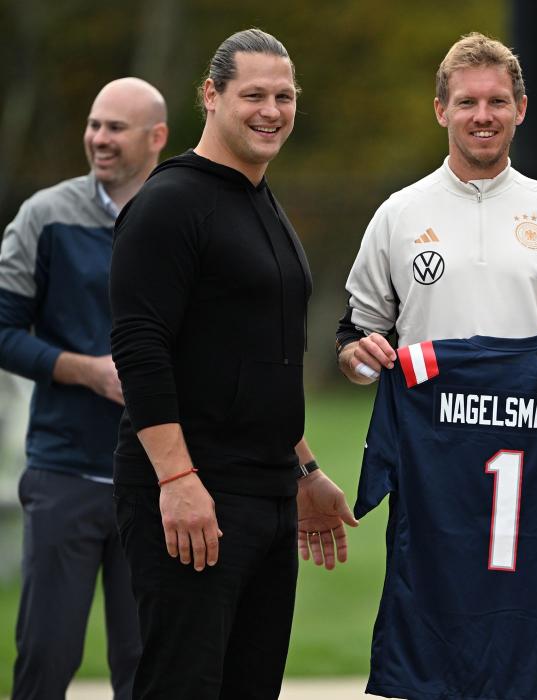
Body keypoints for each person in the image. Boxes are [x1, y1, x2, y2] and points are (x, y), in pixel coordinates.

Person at [108, 28, 357, 699]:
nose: (270, 109)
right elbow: (139, 349)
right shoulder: (169, 203)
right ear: (211, 96)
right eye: (253, 94)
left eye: (283, 95)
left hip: (268, 495)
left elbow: (260, 356)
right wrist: (178, 480)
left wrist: (303, 469)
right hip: (196, 498)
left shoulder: (260, 200)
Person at [0, 77, 167, 699]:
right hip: (63, 472)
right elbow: (3, 330)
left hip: (158, 481)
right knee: (45, 656)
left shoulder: (183, 216)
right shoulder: (45, 217)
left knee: (145, 664)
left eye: (114, 127)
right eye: (94, 124)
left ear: (156, 138)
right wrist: (86, 370)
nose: (98, 138)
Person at [336, 31, 537, 379]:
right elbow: (354, 340)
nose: (483, 116)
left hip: (530, 432)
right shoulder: (398, 213)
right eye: (467, 103)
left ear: (520, 109)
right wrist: (362, 359)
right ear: (442, 111)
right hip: (426, 432)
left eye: (497, 101)